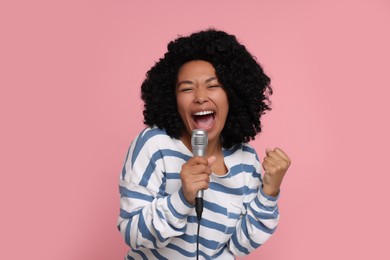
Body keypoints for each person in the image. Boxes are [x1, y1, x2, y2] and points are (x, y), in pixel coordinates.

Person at [117, 29, 291, 259]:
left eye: (213, 85)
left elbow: (240, 246)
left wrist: (270, 190)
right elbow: (133, 234)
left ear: (232, 94)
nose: (200, 97)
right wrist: (183, 197)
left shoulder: (245, 160)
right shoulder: (154, 145)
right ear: (173, 99)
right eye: (187, 88)